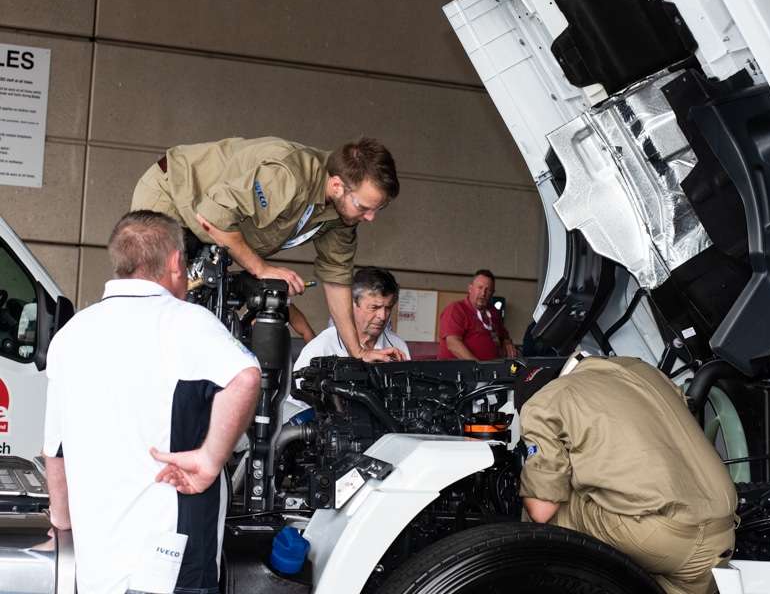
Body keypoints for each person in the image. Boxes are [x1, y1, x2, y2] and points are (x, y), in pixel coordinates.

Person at [43, 210, 261, 594]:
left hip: (97, 574)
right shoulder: (184, 322)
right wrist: (209, 461)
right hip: (167, 568)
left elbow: (55, 453)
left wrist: (62, 522)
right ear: (177, 262)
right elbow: (245, 377)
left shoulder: (71, 334)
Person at [130, 135, 404, 364]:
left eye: (378, 208)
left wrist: (357, 351)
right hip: (175, 193)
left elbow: (336, 278)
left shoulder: (342, 215)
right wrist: (263, 269)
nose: (370, 217)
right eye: (364, 206)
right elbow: (214, 216)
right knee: (153, 301)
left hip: (210, 225)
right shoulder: (288, 178)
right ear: (337, 185)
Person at [518, 353, 738, 594]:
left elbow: (541, 512)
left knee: (544, 511)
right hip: (720, 535)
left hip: (659, 538)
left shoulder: (543, 403)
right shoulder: (644, 371)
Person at [437, 269, 516, 360]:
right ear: (470, 289)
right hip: (460, 370)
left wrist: (506, 341)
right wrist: (478, 367)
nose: (483, 293)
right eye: (480, 287)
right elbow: (453, 344)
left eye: (488, 290)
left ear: (492, 293)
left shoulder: (493, 311)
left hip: (491, 369)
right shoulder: (456, 309)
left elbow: (503, 334)